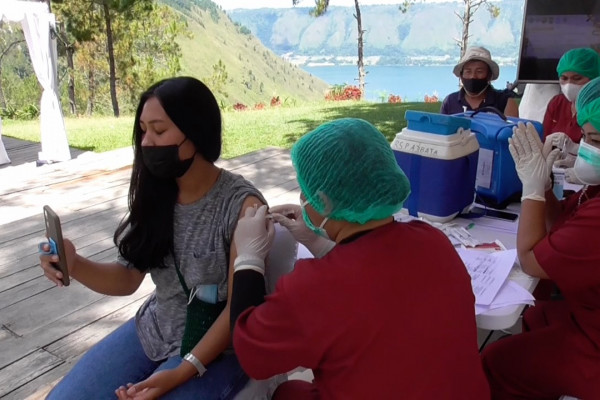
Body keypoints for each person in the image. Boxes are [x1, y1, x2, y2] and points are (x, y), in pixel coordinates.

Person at [228, 118, 490, 399]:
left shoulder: (313, 287)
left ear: (324, 202)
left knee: (287, 394)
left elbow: (252, 355)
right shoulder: (433, 241)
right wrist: (318, 243)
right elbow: (373, 286)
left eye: (306, 190)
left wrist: (248, 259)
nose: (303, 197)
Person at [38, 77, 265, 400]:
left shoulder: (242, 206)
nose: (146, 142)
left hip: (218, 351)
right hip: (155, 329)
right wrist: (73, 263)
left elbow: (237, 310)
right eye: (143, 131)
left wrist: (181, 371)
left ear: (196, 133)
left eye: (159, 131)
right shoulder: (157, 193)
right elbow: (127, 278)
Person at [481, 76, 600, 399]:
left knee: (494, 362)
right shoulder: (594, 193)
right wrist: (545, 187)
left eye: (595, 140)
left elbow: (531, 260)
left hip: (594, 344)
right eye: (585, 137)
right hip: (587, 313)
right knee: (536, 315)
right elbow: (562, 222)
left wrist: (531, 191)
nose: (586, 149)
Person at [543, 48, 600, 185]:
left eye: (577, 78)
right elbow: (544, 139)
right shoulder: (557, 103)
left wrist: (577, 154)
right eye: (564, 78)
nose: (569, 85)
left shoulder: (595, 110)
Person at [441, 46, 519, 117]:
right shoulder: (450, 102)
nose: (473, 76)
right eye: (468, 71)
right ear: (461, 75)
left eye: (479, 71)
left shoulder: (505, 102)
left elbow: (511, 127)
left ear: (489, 75)